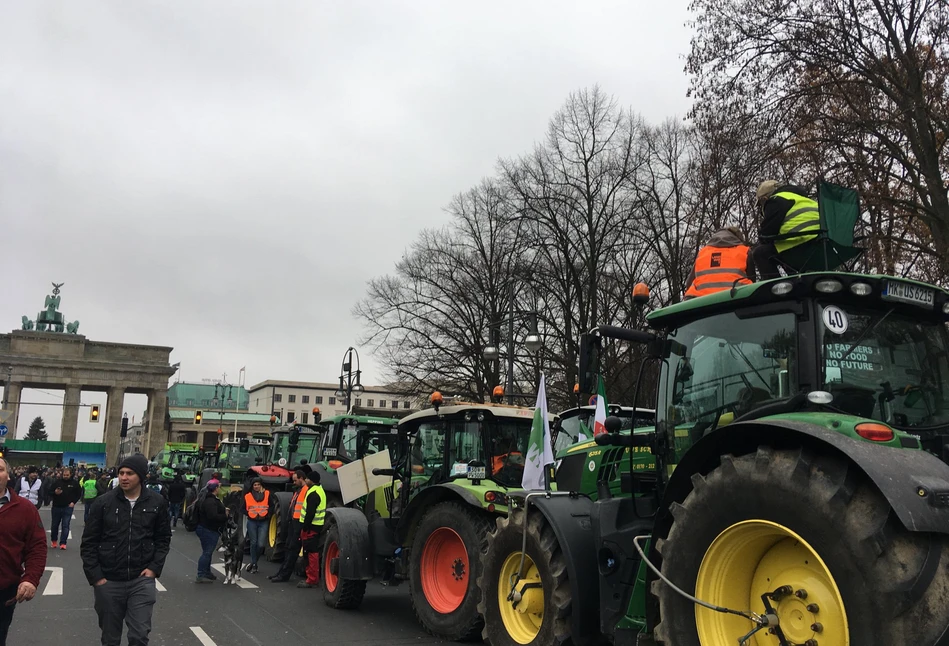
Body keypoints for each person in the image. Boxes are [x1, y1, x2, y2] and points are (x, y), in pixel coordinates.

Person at [80, 455, 171, 646]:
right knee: (110, 638)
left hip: (141, 580)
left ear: (141, 476)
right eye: (121, 473)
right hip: (109, 581)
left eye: (129, 473)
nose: (124, 477)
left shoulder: (157, 502)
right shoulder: (103, 503)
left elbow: (163, 539)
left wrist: (154, 568)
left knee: (139, 636)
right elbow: (89, 543)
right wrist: (97, 577)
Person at [0, 457, 47, 645]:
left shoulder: (25, 509)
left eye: (0, 469)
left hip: (4, 588)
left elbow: (37, 547)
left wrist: (30, 579)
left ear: (9, 476)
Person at [751, 180, 821, 280]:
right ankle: (794, 279)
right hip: (821, 244)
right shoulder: (805, 200)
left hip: (800, 244)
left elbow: (767, 233)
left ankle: (775, 288)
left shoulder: (776, 200)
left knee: (760, 253)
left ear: (764, 199)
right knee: (782, 246)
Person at [684, 226, 756, 299]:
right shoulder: (744, 251)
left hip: (701, 300)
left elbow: (689, 283)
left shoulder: (703, 252)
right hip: (736, 297)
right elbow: (752, 280)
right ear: (738, 239)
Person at [269, 469, 308, 583]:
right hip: (293, 521)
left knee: (292, 550)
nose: (294, 482)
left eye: (295, 480)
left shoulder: (305, 491)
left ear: (301, 478)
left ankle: (284, 575)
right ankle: (281, 573)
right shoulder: (298, 491)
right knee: (288, 548)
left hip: (298, 523)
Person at [295, 471, 326, 589]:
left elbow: (310, 513)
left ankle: (312, 579)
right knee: (311, 552)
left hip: (311, 527)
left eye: (307, 478)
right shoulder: (319, 490)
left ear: (311, 480)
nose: (305, 480)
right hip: (316, 526)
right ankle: (312, 578)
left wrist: (305, 527)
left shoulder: (313, 493)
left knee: (311, 553)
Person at [194, 481, 227, 583]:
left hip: (206, 528)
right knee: (207, 552)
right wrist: (225, 515)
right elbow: (212, 516)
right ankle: (201, 574)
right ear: (216, 488)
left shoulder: (206, 499)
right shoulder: (210, 501)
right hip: (208, 529)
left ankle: (206, 572)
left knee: (208, 552)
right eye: (219, 487)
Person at [243, 478, 275, 574]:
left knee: (261, 545)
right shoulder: (248, 496)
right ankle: (254, 564)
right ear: (252, 486)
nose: (256, 486)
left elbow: (272, 506)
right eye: (255, 485)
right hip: (252, 522)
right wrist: (248, 513)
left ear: (261, 485)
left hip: (263, 521)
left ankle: (253, 562)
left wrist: (268, 514)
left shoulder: (267, 494)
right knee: (253, 542)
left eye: (258, 484)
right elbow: (242, 508)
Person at [49, 468, 81, 550]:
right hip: (56, 506)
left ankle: (63, 543)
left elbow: (79, 493)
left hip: (67, 507)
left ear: (70, 475)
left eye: (67, 475)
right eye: (64, 475)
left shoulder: (74, 483)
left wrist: (73, 502)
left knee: (65, 525)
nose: (65, 476)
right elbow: (49, 492)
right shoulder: (57, 482)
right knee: (54, 525)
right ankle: (54, 541)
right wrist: (55, 493)